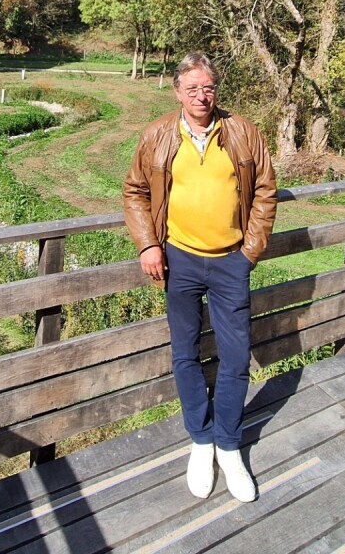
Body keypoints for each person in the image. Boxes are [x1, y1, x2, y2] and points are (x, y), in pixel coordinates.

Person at [123, 52, 277, 502]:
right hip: (179, 261)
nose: (201, 96)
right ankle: (200, 440)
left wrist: (249, 253)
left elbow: (265, 190)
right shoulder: (157, 135)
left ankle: (229, 446)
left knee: (236, 357)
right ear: (177, 92)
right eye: (191, 88)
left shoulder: (243, 132)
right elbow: (134, 191)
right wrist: (148, 244)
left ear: (216, 90)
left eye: (207, 88)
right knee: (185, 353)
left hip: (231, 262)